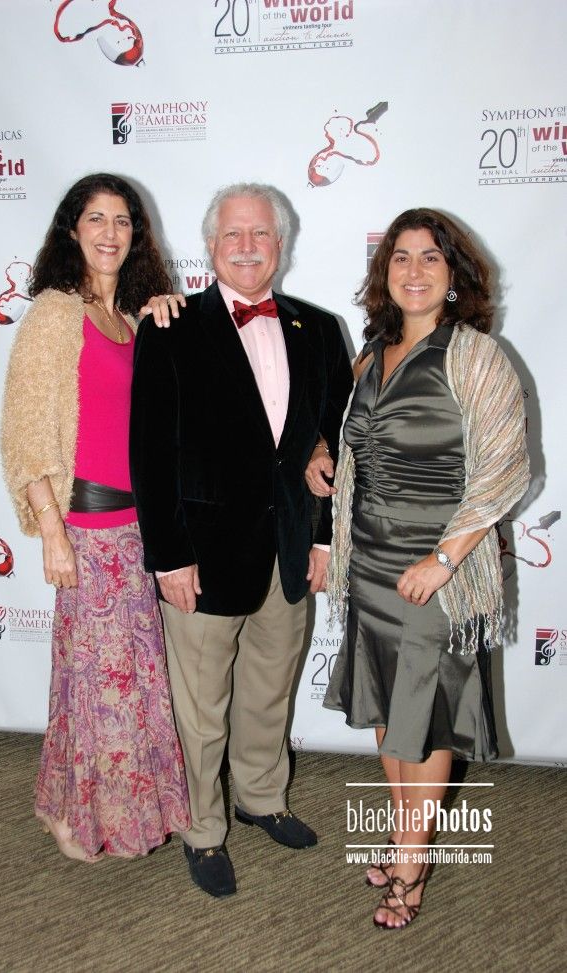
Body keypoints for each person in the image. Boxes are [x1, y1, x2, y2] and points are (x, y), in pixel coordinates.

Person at [307, 208, 529, 928]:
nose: (413, 270)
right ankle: (409, 835)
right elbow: (354, 437)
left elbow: (505, 469)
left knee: (426, 714)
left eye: (430, 257)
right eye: (400, 257)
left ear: (454, 274)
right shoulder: (372, 353)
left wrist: (444, 559)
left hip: (439, 569)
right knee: (385, 707)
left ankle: (411, 863)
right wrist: (325, 455)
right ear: (385, 273)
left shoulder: (476, 356)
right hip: (369, 561)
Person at [129, 183, 352, 896]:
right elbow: (149, 454)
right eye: (233, 234)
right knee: (200, 710)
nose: (248, 246)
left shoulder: (320, 330)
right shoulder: (170, 327)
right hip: (202, 558)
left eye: (261, 234)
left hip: (287, 552)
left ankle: (260, 797)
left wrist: (322, 540)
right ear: (211, 245)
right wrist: (168, 555)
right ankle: (202, 828)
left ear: (280, 244)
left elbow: (333, 445)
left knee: (267, 691)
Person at [0, 173, 190, 861]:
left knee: (124, 679)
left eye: (122, 221)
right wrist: (52, 532)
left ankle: (70, 802)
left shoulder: (134, 321)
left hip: (137, 532)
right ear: (72, 230)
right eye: (96, 219)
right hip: (85, 530)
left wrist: (165, 314)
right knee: (96, 683)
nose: (110, 233)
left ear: (136, 235)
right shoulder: (55, 313)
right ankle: (75, 814)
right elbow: (25, 434)